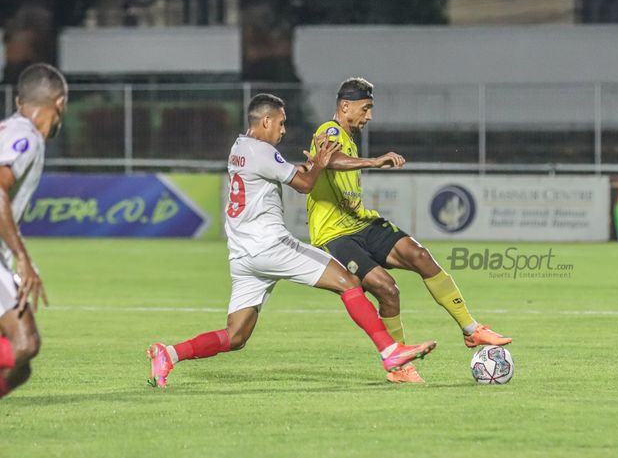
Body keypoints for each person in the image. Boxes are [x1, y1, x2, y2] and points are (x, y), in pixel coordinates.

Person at [147, 94, 436, 388]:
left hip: (244, 256)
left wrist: (312, 166)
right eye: (281, 123)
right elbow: (305, 186)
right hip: (271, 246)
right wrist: (321, 164)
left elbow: (286, 171)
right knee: (349, 282)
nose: (284, 130)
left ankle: (168, 354)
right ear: (266, 121)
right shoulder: (261, 151)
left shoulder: (240, 148)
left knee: (236, 337)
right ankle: (391, 353)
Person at [305, 77, 511, 384]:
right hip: (336, 234)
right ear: (345, 106)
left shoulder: (348, 136)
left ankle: (472, 329)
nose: (369, 116)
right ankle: (398, 366)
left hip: (362, 222)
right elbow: (331, 160)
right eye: (366, 108)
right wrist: (374, 161)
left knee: (420, 255)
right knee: (388, 289)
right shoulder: (329, 131)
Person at [0, 63, 67, 399]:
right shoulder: (25, 135)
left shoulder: (12, 130)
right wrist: (23, 260)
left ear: (18, 102)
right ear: (60, 103)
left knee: (21, 363)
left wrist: (17, 256)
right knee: (24, 344)